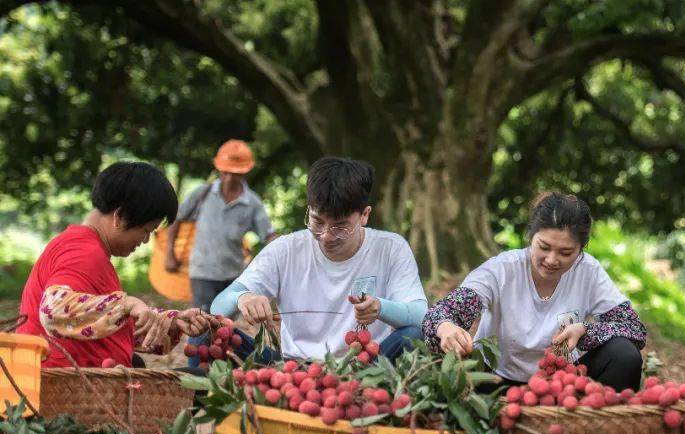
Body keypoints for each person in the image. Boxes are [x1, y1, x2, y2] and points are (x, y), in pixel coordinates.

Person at [422, 192, 646, 391]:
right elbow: (442, 312)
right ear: (531, 237)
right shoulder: (502, 269)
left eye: (566, 252)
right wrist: (446, 326)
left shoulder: (588, 271)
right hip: (494, 380)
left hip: (561, 382)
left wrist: (585, 331)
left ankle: (594, 430)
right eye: (544, 247)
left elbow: (633, 328)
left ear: (581, 249)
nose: (551, 260)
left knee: (624, 356)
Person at [210, 157, 425, 362]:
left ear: (364, 215)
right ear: (309, 209)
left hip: (366, 367)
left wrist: (380, 308)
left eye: (340, 226)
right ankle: (196, 398)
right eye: (317, 222)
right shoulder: (285, 250)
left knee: (413, 336)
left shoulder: (390, 248)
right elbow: (218, 306)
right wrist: (243, 297)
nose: (326, 236)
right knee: (208, 332)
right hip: (292, 370)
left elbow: (421, 316)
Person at [18, 162, 212, 368]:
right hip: (63, 386)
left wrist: (172, 322)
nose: (145, 240)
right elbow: (53, 311)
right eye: (146, 230)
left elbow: (102, 323)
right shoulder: (83, 252)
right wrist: (126, 304)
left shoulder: (87, 247)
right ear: (119, 217)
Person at [165, 139, 276, 313]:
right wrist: (169, 252)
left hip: (234, 275)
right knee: (203, 326)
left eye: (235, 173)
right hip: (203, 272)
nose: (230, 177)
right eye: (226, 172)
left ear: (245, 172)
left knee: (226, 329)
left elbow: (269, 235)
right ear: (219, 169)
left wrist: (282, 254)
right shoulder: (203, 193)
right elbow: (176, 219)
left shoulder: (252, 203)